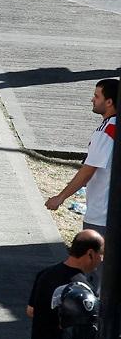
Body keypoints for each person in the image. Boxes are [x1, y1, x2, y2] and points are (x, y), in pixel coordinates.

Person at [46, 78, 117, 241]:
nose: (92, 99)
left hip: (101, 214)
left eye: (96, 96)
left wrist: (60, 197)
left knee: (94, 263)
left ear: (109, 102)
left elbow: (88, 170)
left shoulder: (106, 131)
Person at [27, 229, 105, 339]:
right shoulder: (84, 288)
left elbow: (31, 311)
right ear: (90, 254)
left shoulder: (45, 274)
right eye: (101, 254)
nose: (102, 259)